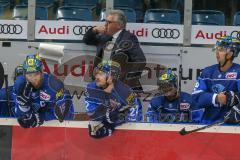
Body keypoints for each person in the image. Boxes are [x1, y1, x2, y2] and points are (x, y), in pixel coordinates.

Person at [83, 9, 146, 91]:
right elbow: (87, 40)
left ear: (119, 25)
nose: (105, 25)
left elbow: (140, 61)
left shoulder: (128, 38)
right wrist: (95, 29)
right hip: (101, 82)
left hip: (119, 85)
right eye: (105, 21)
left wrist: (126, 82)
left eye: (109, 22)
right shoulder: (104, 37)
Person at [13, 54, 74, 128]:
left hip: (58, 128)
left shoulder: (54, 85)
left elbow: (65, 113)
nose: (33, 79)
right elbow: (18, 114)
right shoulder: (19, 85)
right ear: (24, 75)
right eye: (29, 75)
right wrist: (23, 108)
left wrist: (41, 117)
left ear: (42, 72)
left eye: (36, 74)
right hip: (31, 131)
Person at [85, 60, 143, 139]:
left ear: (111, 77)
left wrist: (115, 122)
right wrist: (106, 122)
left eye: (101, 74)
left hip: (131, 129)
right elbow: (92, 114)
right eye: (96, 73)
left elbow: (133, 119)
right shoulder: (91, 88)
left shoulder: (126, 92)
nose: (96, 77)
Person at [192, 36, 240, 124]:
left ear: (230, 53)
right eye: (217, 49)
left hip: (232, 126)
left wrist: (234, 100)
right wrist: (216, 98)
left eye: (221, 49)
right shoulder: (207, 72)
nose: (217, 52)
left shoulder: (239, 72)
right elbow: (196, 97)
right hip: (208, 122)